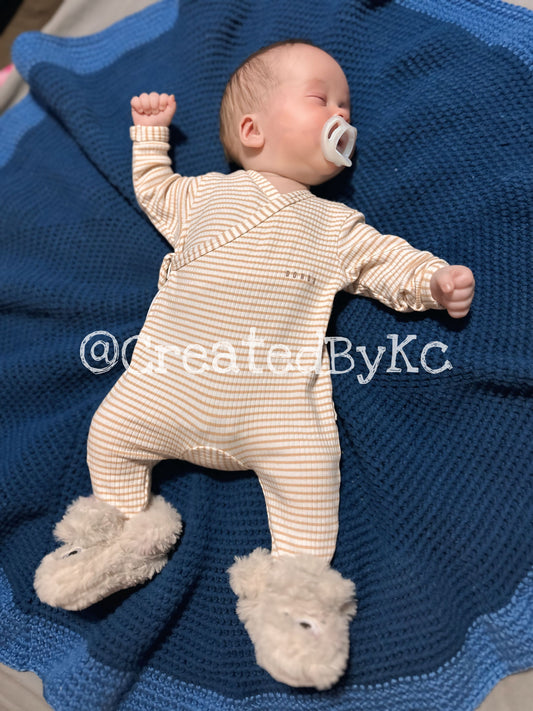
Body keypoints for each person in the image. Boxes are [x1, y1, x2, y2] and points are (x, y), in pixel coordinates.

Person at [34, 40, 475, 689]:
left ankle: (296, 594)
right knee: (110, 434)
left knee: (311, 473)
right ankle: (121, 532)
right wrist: (150, 136)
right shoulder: (206, 196)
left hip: (271, 411)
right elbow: (154, 189)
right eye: (322, 99)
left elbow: (387, 262)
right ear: (252, 129)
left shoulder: (336, 225)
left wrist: (433, 281)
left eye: (347, 108)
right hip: (166, 387)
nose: (342, 116)